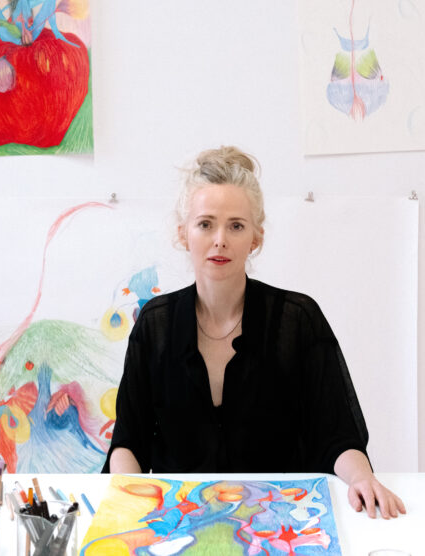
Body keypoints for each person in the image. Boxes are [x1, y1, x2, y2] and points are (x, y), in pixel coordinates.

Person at [105, 146, 406, 519]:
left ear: (256, 237)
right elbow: (128, 443)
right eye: (205, 224)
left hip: (279, 523)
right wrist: (128, 501)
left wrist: (363, 479)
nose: (220, 240)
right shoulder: (156, 325)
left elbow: (337, 434)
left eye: (236, 225)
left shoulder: (298, 320)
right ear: (184, 234)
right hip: (177, 523)